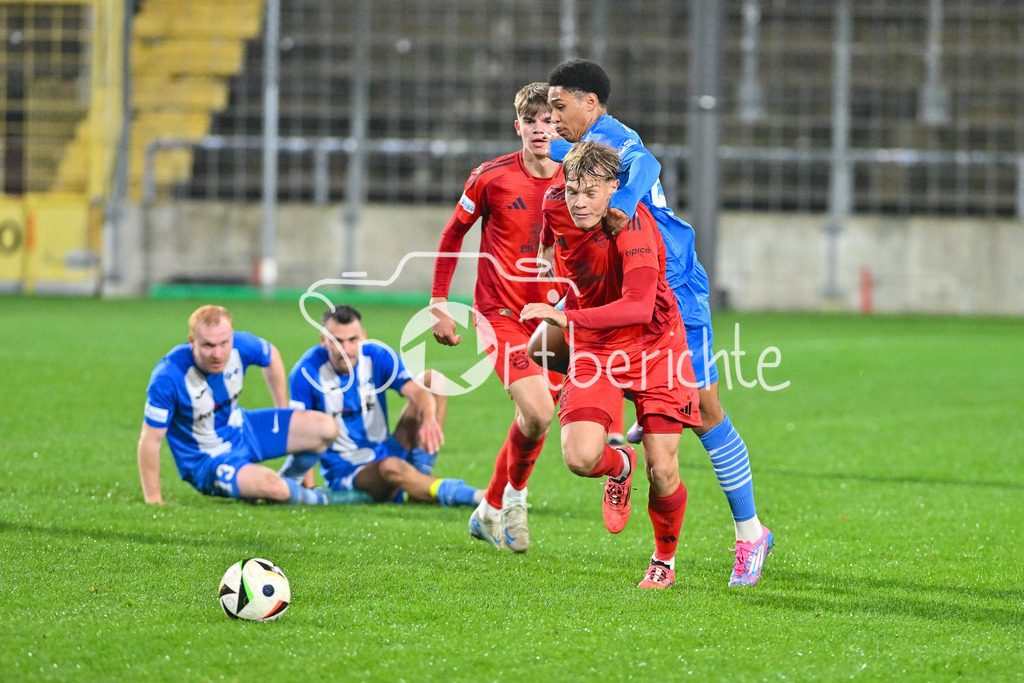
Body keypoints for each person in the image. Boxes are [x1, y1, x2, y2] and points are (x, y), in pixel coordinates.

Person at [533, 58, 774, 586]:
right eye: (545, 110)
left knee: (706, 412)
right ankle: (624, 439)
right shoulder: (574, 151)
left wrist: (619, 202)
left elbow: (648, 166)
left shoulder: (615, 138)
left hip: (673, 291)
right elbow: (555, 177)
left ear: (589, 103)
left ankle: (750, 532)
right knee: (589, 379)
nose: (552, 119)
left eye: (558, 106)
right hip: (621, 302)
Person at [521, 140, 701, 589]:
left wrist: (565, 316)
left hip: (656, 347)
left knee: (663, 470)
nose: (580, 202)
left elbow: (639, 307)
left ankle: (664, 560)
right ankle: (619, 465)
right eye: (574, 190)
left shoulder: (633, 226)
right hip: (597, 348)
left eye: (592, 192)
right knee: (580, 458)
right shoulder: (555, 203)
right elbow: (549, 233)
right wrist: (546, 257)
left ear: (614, 189)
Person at [429, 82, 565, 552]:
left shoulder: (578, 181)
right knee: (540, 411)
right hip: (500, 313)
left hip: (553, 322)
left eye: (549, 121)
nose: (541, 130)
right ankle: (515, 501)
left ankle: (487, 510)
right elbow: (451, 236)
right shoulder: (490, 177)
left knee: (534, 421)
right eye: (532, 122)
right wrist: (439, 303)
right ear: (518, 127)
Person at [137, 304, 344, 505]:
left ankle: (291, 481)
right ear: (192, 341)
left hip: (242, 430)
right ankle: (323, 500)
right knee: (273, 487)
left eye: (224, 343)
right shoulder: (168, 377)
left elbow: (271, 355)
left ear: (232, 337)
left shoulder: (241, 345)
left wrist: (283, 412)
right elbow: (150, 440)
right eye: (208, 345)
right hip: (207, 460)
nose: (218, 354)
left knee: (327, 428)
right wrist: (153, 498)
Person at [280, 304, 482, 508]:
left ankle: (420, 482)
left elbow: (419, 391)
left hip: (386, 449)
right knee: (391, 467)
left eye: (352, 340)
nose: (346, 350)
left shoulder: (376, 355)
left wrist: (429, 419)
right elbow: (299, 433)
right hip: (349, 472)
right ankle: (474, 497)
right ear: (324, 340)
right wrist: (307, 491)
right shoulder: (307, 372)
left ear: (363, 336)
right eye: (337, 341)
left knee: (434, 381)